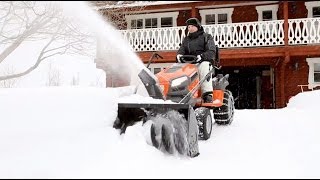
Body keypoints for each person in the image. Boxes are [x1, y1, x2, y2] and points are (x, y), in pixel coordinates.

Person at [176, 17, 216, 103]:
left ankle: (207, 94)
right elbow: (182, 49)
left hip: (202, 61)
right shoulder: (186, 40)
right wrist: (179, 55)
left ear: (197, 26)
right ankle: (177, 92)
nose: (189, 28)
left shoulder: (207, 37)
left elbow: (211, 52)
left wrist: (201, 56)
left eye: (191, 26)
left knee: (204, 65)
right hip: (189, 63)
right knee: (177, 68)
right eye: (188, 27)